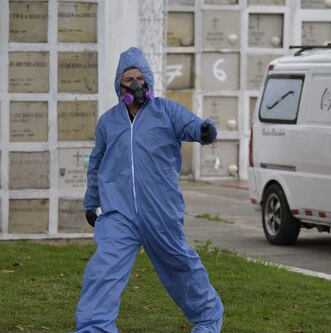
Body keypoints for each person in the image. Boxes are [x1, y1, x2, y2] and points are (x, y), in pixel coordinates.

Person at [75, 47, 224, 333]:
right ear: (120, 86)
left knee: (181, 267)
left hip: (161, 212)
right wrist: (91, 201)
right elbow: (97, 163)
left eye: (140, 77)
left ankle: (208, 317)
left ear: (149, 81)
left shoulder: (166, 111)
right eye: (128, 78)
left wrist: (204, 130)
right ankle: (95, 327)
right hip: (120, 215)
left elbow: (191, 125)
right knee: (103, 271)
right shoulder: (108, 122)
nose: (135, 84)